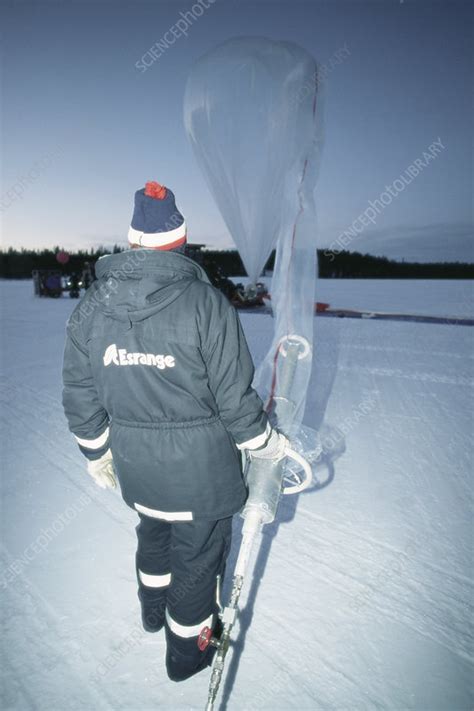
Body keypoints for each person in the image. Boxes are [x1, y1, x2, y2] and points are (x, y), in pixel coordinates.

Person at [62, 181, 287, 682]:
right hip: (199, 477)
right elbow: (235, 397)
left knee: (153, 532)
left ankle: (150, 611)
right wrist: (264, 444)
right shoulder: (207, 304)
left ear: (133, 241)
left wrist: (96, 453)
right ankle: (187, 654)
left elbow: (80, 393)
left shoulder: (91, 307)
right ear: (179, 242)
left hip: (137, 471)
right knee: (197, 558)